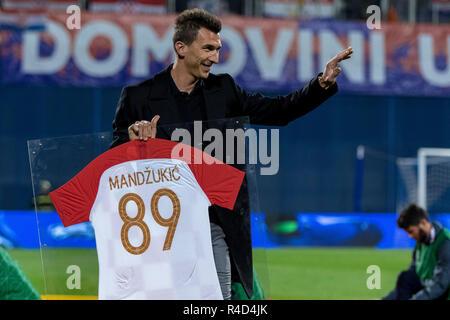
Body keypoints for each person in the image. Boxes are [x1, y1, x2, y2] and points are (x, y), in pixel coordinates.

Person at [111, 8, 352, 299]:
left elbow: (279, 111)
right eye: (208, 49)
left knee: (218, 297)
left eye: (218, 49)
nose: (215, 57)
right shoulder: (138, 97)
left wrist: (321, 85)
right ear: (181, 48)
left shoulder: (223, 90)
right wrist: (133, 142)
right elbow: (114, 161)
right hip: (159, 230)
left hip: (214, 223)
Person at [383, 204, 450, 300]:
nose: (410, 236)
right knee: (405, 278)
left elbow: (441, 284)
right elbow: (412, 276)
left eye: (411, 231)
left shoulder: (445, 243)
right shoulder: (421, 242)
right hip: (431, 292)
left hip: (443, 295)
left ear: (423, 222)